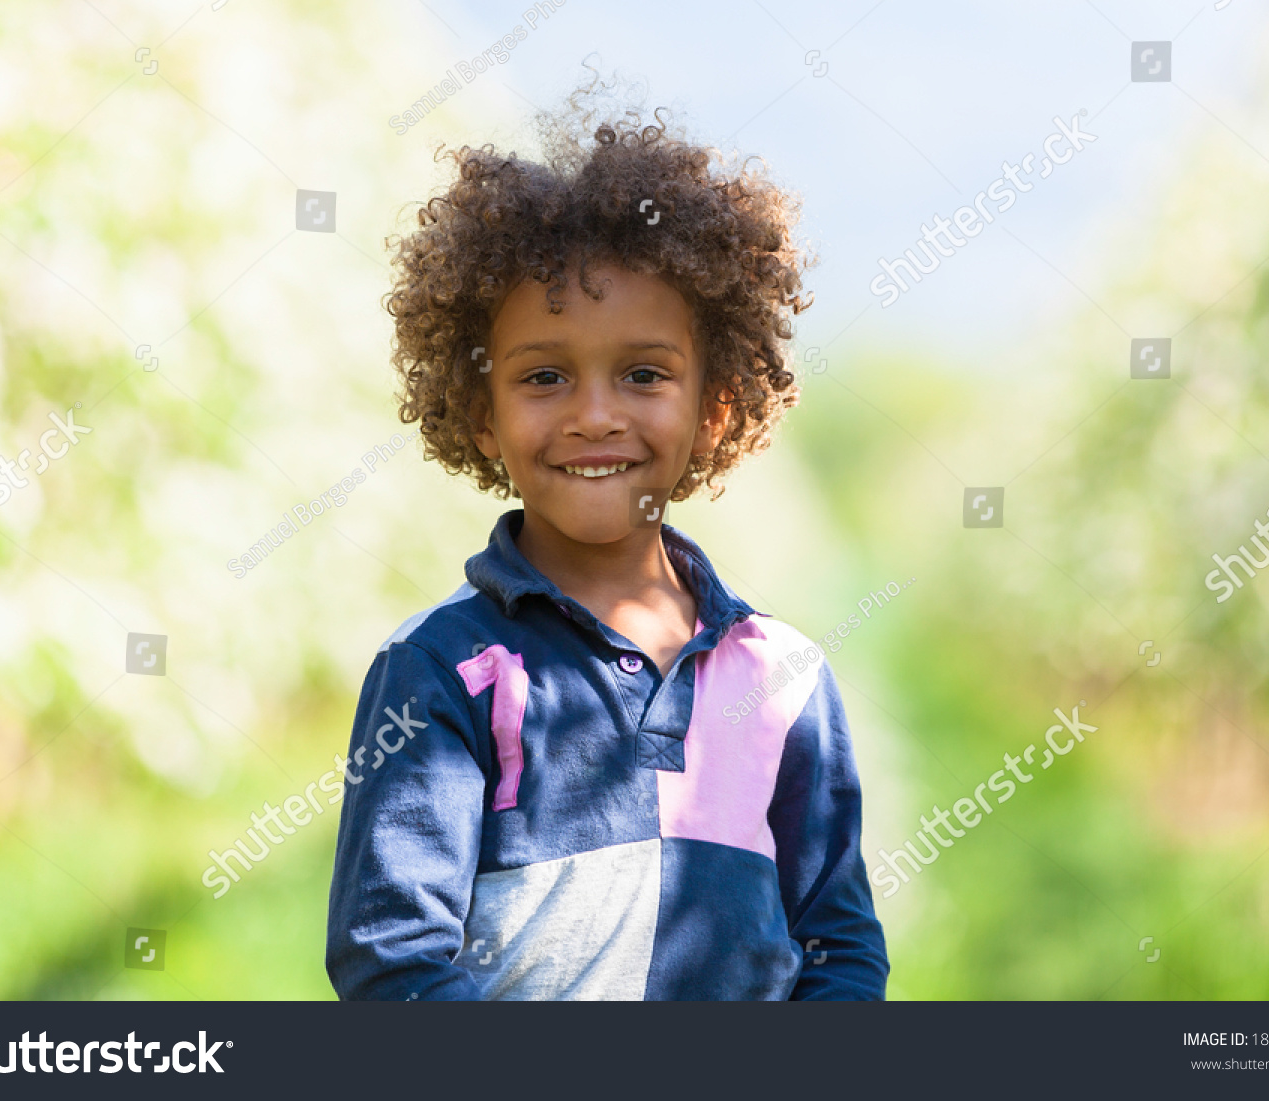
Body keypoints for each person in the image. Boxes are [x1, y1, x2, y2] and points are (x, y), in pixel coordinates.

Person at [325, 93, 888, 1000]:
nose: (595, 415)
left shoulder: (783, 675)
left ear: (716, 408)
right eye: (544, 376)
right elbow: (393, 958)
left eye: (643, 374)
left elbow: (838, 946)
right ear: (481, 414)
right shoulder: (440, 669)